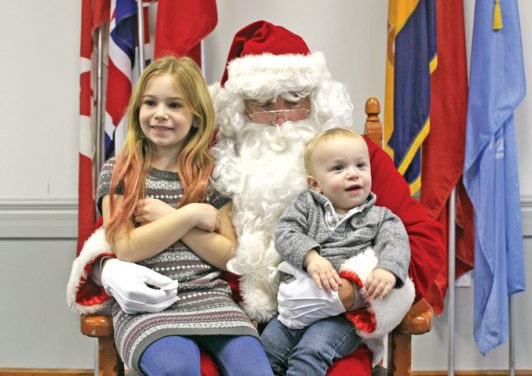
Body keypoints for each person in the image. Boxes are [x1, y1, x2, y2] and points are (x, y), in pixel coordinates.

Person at [68, 21, 445, 375]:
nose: (281, 118)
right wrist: (107, 267)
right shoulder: (211, 158)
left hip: (331, 322)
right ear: (240, 109)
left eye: (295, 99)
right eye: (265, 104)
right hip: (232, 314)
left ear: (317, 100)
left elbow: (423, 239)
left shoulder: (353, 160)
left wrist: (354, 291)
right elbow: (112, 227)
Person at [82, 56, 272, 375]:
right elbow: (126, 247)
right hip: (149, 305)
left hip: (212, 301)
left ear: (196, 117)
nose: (160, 114)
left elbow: (229, 256)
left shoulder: (210, 175)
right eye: (150, 103)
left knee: (256, 371)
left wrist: (169, 215)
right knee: (177, 369)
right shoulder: (120, 171)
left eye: (174, 105)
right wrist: (190, 216)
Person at [261, 128, 415, 375]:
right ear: (315, 184)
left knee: (310, 354)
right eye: (338, 168)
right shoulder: (305, 206)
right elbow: (285, 233)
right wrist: (311, 257)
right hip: (295, 308)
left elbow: (396, 244)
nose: (353, 174)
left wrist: (387, 270)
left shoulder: (381, 218)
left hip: (342, 317)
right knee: (267, 352)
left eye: (360, 166)